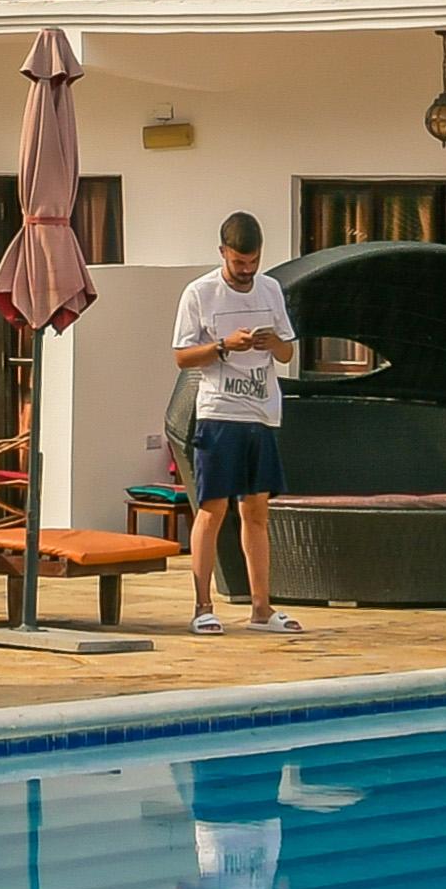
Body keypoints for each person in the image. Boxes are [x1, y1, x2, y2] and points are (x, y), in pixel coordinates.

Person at [168, 209, 301, 634]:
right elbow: (181, 357)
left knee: (257, 510)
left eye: (253, 262)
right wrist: (225, 345)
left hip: (261, 413)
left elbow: (287, 355)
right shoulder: (200, 293)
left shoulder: (271, 290)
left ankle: (261, 608)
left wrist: (272, 342)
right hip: (218, 412)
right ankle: (203, 606)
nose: (246, 271)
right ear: (223, 253)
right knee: (213, 508)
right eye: (238, 263)